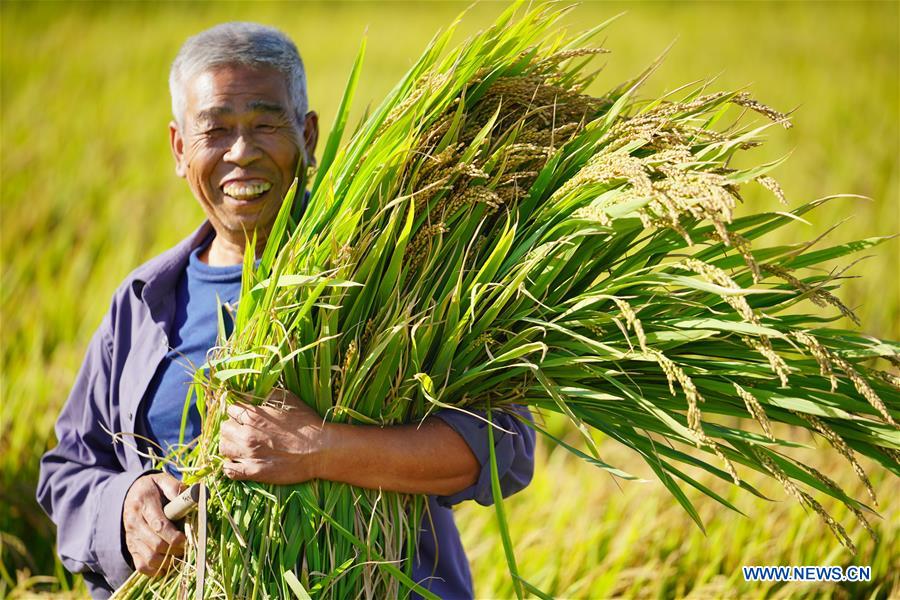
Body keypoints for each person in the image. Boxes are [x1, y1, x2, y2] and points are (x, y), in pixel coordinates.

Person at [36, 22, 535, 599]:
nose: (241, 152)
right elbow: (68, 470)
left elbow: (503, 444)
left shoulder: (391, 279)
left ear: (308, 135)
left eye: (266, 124)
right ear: (179, 148)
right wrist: (124, 506)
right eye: (216, 130)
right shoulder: (143, 302)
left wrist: (319, 448)